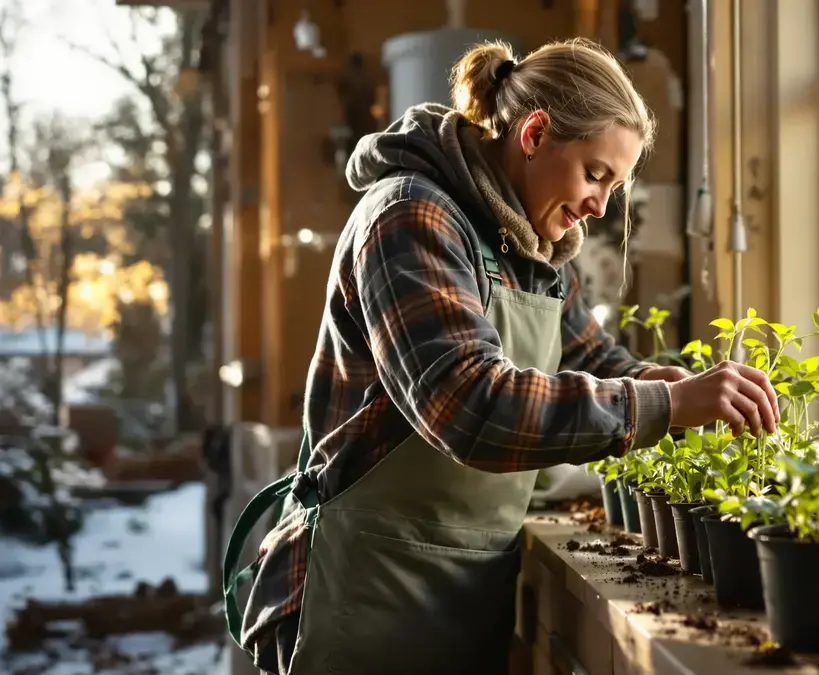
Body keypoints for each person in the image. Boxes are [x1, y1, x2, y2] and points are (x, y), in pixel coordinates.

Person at [224, 37, 779, 675]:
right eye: (596, 174)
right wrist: (663, 404)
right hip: (365, 591)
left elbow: (594, 358)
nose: (600, 206)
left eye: (614, 185)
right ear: (535, 133)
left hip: (460, 594)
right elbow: (468, 404)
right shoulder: (411, 216)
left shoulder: (535, 246)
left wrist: (660, 384)